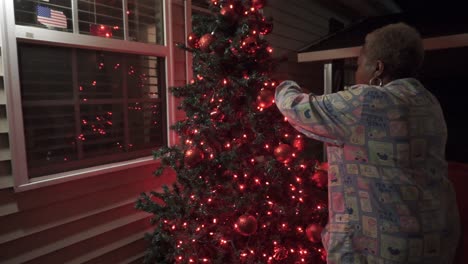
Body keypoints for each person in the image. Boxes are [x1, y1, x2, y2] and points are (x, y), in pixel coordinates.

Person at [275, 23, 460, 263]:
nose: (357, 71)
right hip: (436, 236)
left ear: (378, 68)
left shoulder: (367, 101)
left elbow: (295, 107)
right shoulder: (428, 102)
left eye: (359, 63)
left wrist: (284, 84)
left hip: (383, 245)